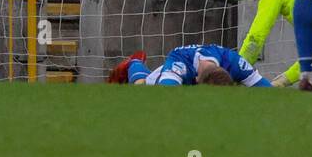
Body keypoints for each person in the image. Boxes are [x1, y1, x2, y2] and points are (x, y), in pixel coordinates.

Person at [106, 45, 274, 87]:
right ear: (197, 80)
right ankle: (134, 64)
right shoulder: (178, 63)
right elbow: (161, 99)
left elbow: (265, 90)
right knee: (141, 89)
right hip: (161, 76)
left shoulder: (233, 61)